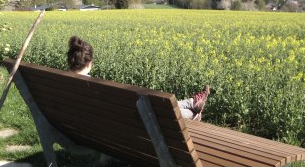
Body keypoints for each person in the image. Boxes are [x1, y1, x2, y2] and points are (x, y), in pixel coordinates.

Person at [67, 36, 210, 120]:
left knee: (154, 108)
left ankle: (191, 103)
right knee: (154, 110)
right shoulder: (96, 87)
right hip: (118, 126)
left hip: (80, 127)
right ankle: (191, 112)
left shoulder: (60, 81)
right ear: (90, 63)